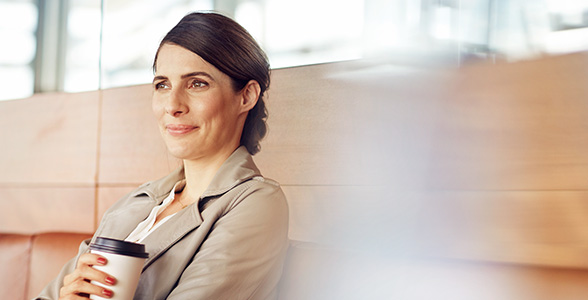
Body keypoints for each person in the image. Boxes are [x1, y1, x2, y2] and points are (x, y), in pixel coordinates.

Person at [36, 11, 289, 300]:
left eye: (197, 83)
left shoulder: (256, 202)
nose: (172, 105)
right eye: (162, 84)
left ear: (246, 96)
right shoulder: (139, 202)